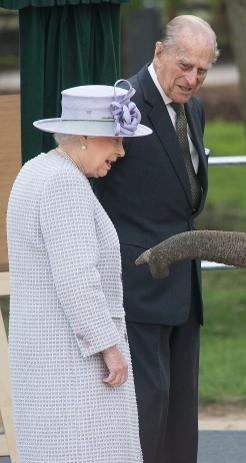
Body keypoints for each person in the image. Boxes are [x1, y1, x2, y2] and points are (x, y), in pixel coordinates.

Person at [92, 15, 218, 463]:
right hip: (137, 283)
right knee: (148, 405)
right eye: (184, 65)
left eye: (202, 71)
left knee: (183, 411)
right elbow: (95, 186)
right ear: (159, 52)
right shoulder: (120, 104)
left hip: (185, 285)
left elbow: (187, 196)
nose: (192, 79)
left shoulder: (195, 109)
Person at [6, 81, 152, 462]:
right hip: (73, 365)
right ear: (86, 136)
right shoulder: (63, 184)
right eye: (116, 140)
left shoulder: (36, 170)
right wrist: (111, 349)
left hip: (44, 358)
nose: (121, 151)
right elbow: (77, 280)